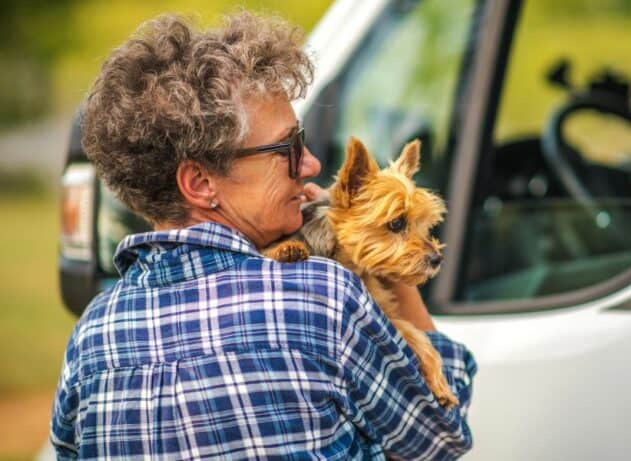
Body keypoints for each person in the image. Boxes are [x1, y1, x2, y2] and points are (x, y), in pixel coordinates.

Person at [50, 11, 476, 460]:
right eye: (287, 149)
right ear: (199, 183)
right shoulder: (324, 299)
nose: (311, 164)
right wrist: (387, 269)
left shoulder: (93, 338)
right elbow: (441, 435)